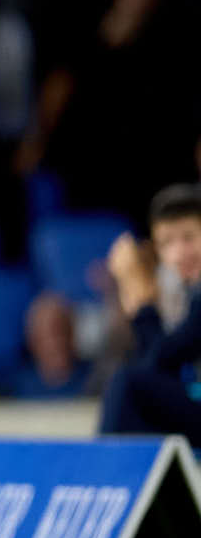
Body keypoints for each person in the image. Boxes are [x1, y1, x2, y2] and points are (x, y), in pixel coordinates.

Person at [100, 184, 201, 444]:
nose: (179, 253)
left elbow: (157, 362)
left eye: (189, 237)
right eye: (166, 242)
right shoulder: (180, 292)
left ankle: (105, 477)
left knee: (129, 383)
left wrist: (140, 297)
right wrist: (133, 295)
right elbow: (152, 365)